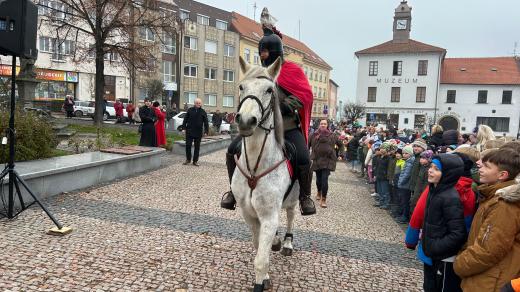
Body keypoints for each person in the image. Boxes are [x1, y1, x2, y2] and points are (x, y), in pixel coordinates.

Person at [220, 9, 316, 215]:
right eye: (260, 52)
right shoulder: (257, 72)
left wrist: (282, 106)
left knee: (303, 157)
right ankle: (232, 191)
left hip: (287, 127)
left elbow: (304, 96)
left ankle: (305, 197)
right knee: (232, 150)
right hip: (260, 127)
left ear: (274, 52)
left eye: (265, 52)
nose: (262, 56)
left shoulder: (292, 70)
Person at [454, 148, 520, 291]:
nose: (480, 168)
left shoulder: (503, 205)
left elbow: (489, 250)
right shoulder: (492, 196)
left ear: (502, 175)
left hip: (491, 282)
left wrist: (459, 264)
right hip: (487, 276)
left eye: (487, 166)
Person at [416, 154, 467, 292]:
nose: (430, 171)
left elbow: (458, 233)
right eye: (431, 167)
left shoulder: (450, 197)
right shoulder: (435, 191)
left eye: (436, 169)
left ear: (448, 174)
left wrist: (434, 247)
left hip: (442, 258)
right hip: (432, 256)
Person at [310, 119, 343, 208]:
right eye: (321, 124)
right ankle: (319, 191)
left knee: (325, 180)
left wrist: (340, 154)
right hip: (317, 160)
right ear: (319, 125)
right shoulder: (313, 135)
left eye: (325, 124)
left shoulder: (333, 135)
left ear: (327, 125)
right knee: (318, 180)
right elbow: (307, 145)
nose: (323, 125)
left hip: (328, 160)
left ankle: (323, 199)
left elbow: (341, 145)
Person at [181, 98, 209, 166]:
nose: (198, 104)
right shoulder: (190, 110)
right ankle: (188, 159)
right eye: (197, 103)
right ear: (194, 103)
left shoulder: (203, 111)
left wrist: (206, 131)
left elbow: (206, 122)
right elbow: (185, 120)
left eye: (199, 103)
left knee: (197, 147)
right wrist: (183, 128)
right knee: (188, 145)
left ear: (201, 104)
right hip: (189, 131)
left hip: (198, 132)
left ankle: (195, 161)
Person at [396, 145, 415, 223]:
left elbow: (406, 174)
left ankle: (405, 216)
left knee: (405, 201)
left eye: (406, 153)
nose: (404, 155)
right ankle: (403, 215)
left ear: (410, 153)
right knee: (404, 201)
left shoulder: (410, 162)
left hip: (405, 185)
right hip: (404, 185)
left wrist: (400, 182)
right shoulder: (408, 161)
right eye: (403, 153)